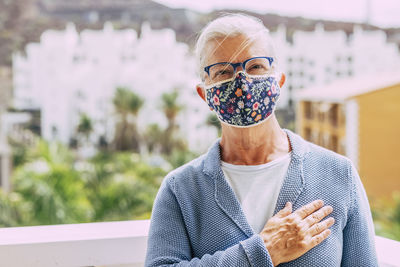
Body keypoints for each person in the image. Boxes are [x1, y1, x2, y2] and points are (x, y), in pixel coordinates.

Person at [145, 13, 378, 266]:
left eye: (255, 66)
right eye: (223, 71)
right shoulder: (180, 190)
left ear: (278, 81)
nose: (241, 82)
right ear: (205, 94)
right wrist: (264, 251)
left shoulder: (338, 175)